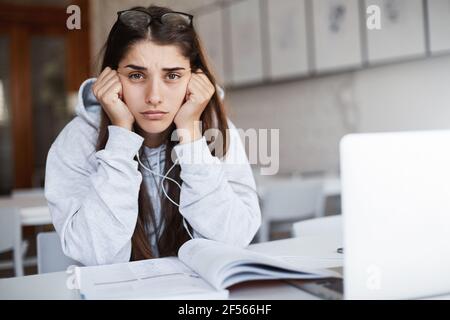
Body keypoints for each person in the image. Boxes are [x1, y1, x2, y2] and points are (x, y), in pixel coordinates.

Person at [44, 5, 261, 266]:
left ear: (194, 80)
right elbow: (94, 253)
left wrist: (191, 134)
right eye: (136, 75)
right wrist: (120, 136)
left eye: (172, 75)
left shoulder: (217, 130)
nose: (154, 97)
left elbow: (233, 242)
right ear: (110, 79)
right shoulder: (78, 139)